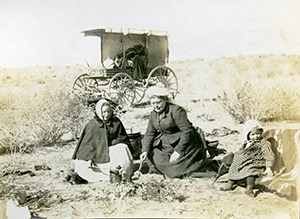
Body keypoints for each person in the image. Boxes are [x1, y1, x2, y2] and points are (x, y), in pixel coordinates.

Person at [140, 84, 207, 178]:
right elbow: (149, 133)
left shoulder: (176, 111)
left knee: (173, 172)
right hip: (167, 145)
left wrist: (178, 151)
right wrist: (145, 151)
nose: (156, 106)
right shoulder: (153, 114)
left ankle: (180, 167)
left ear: (165, 100)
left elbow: (187, 131)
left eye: (159, 102)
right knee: (151, 155)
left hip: (186, 145)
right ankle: (165, 167)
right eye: (153, 103)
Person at [71, 99, 134, 183]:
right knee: (83, 168)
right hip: (96, 158)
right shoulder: (92, 125)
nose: (106, 114)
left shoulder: (116, 122)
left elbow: (123, 138)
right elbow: (86, 146)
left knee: (123, 148)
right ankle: (108, 174)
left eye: (108, 111)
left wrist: (111, 144)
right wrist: (88, 159)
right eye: (104, 112)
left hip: (111, 154)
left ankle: (125, 173)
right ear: (98, 112)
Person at [221, 120, 275, 196]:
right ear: (248, 135)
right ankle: (229, 184)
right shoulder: (247, 143)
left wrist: (269, 167)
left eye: (258, 134)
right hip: (243, 160)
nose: (256, 136)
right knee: (234, 166)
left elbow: (268, 154)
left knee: (250, 170)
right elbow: (241, 151)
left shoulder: (264, 143)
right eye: (253, 134)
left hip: (255, 161)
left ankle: (249, 189)